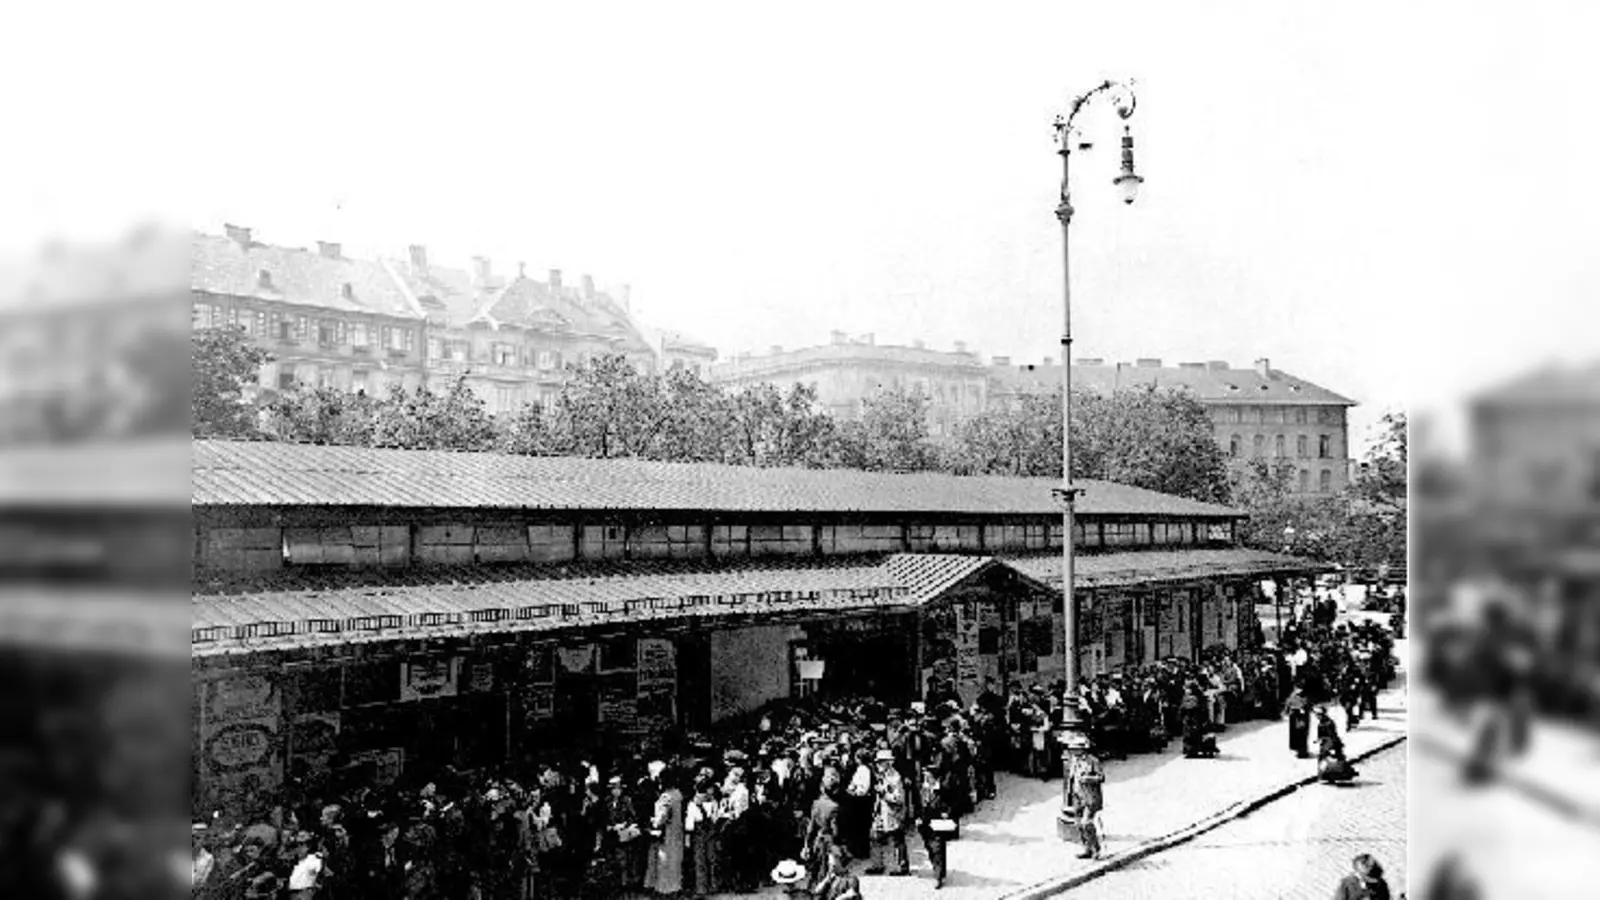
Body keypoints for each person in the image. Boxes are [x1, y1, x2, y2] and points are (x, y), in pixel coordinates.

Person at [866, 748, 909, 876]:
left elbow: (898, 798)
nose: (878, 764)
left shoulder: (895, 778)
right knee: (875, 837)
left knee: (897, 839)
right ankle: (877, 864)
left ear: (888, 763)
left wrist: (883, 793)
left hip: (892, 813)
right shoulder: (883, 775)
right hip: (881, 812)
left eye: (881, 762)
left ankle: (902, 866)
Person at [644, 763, 684, 897]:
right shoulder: (678, 794)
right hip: (677, 831)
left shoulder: (665, 797)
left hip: (666, 834)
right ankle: (675, 888)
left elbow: (660, 819)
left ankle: (664, 891)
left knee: (664, 862)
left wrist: (652, 821)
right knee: (675, 862)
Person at [802, 771, 842, 892]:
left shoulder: (816, 803)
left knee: (816, 870)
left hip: (817, 841)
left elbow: (811, 827)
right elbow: (835, 831)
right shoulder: (834, 806)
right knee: (830, 874)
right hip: (829, 841)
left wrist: (806, 844)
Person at [915, 768, 952, 889]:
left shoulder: (942, 790)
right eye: (925, 776)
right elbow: (917, 805)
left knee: (938, 848)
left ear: (935, 778)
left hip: (938, 823)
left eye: (928, 777)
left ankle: (938, 877)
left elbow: (951, 803)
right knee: (930, 847)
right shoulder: (922, 789)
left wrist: (946, 812)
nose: (926, 779)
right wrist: (917, 817)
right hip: (924, 824)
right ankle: (939, 869)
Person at [1067, 747, 1105, 860]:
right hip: (1078, 796)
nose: (1072, 750)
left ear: (1082, 748)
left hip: (1090, 796)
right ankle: (1087, 848)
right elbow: (1071, 778)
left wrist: (1089, 778)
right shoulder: (1074, 760)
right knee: (1079, 824)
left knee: (1086, 822)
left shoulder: (1093, 761)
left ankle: (1096, 849)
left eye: (1075, 748)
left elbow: (1101, 777)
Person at [1285, 685, 1312, 758]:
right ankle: (1302, 751)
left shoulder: (1294, 695)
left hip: (1297, 716)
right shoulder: (1300, 695)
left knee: (1299, 733)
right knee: (1301, 733)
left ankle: (1301, 751)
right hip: (1300, 716)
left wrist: (1287, 710)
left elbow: (1288, 703)